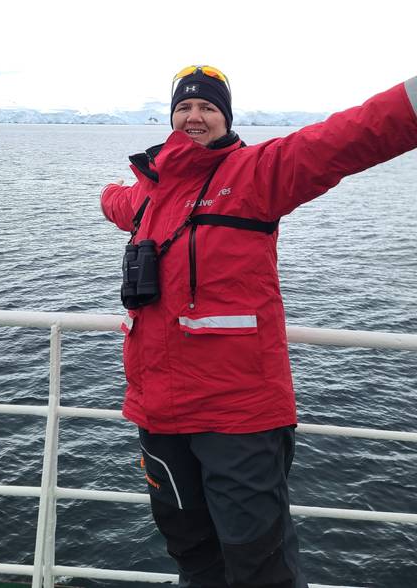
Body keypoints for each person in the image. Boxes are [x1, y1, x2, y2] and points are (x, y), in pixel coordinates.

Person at [101, 65, 417, 588]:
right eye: (184, 107)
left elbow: (347, 137)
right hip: (157, 410)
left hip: (239, 414)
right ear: (170, 118)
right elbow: (117, 202)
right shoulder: (147, 196)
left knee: (258, 564)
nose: (194, 116)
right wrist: (105, 192)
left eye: (208, 107)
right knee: (191, 551)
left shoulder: (256, 174)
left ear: (226, 118)